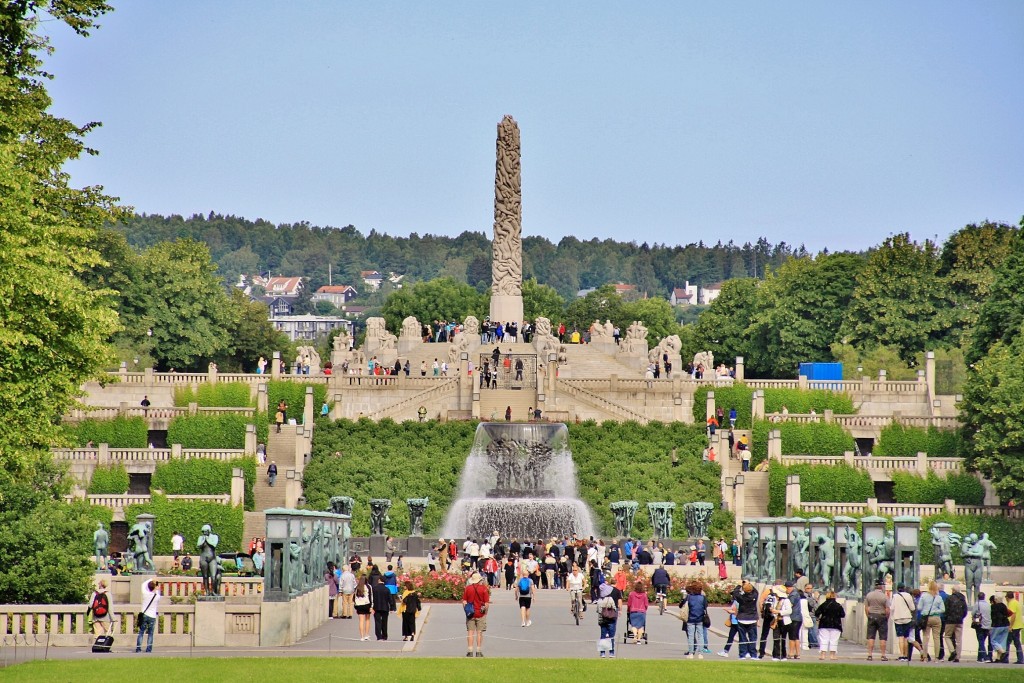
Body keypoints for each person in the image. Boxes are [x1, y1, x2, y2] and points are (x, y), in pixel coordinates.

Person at [463, 571, 489, 657]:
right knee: (479, 632)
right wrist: (485, 612)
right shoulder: (484, 588)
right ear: (479, 580)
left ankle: (470, 650)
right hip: (480, 613)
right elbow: (486, 603)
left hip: (470, 613)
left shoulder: (468, 588)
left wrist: (466, 611)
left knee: (470, 632)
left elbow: (464, 601)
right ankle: (478, 650)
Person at [918, 580, 945, 662]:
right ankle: (936, 657)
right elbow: (943, 609)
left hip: (926, 617)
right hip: (936, 618)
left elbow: (919, 607)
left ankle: (925, 657)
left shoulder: (924, 596)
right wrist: (935, 611)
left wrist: (925, 610)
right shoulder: (938, 597)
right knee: (936, 638)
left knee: (925, 637)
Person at [814, 589, 845, 660]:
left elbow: (817, 613)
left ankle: (823, 655)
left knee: (823, 639)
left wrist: (819, 618)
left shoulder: (823, 605)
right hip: (836, 624)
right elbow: (842, 615)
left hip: (824, 624)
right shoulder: (838, 605)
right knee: (834, 640)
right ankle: (832, 655)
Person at [892, 583, 920, 661]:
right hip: (907, 618)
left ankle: (901, 655)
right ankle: (905, 655)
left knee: (900, 637)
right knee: (905, 638)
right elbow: (912, 608)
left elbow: (892, 607)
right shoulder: (908, 596)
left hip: (898, 618)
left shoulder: (895, 596)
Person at [864, 580, 890, 661]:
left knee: (871, 636)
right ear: (882, 587)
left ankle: (870, 655)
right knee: (882, 637)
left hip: (872, 615)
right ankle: (883, 655)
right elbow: (887, 609)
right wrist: (887, 617)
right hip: (882, 616)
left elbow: (866, 607)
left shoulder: (869, 595)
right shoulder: (884, 597)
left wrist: (868, 615)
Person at [943, 584, 968, 662]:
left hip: (950, 620)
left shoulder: (949, 598)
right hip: (959, 621)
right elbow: (965, 611)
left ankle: (952, 651)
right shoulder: (962, 599)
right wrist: (961, 617)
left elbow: (946, 610)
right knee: (959, 639)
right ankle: (958, 657)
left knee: (947, 636)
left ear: (953, 590)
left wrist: (946, 618)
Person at [135, 579, 160, 653]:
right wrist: (156, 585)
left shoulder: (145, 594)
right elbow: (157, 590)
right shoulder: (157, 596)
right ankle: (148, 649)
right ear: (155, 587)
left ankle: (138, 649)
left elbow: (143, 585)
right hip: (152, 616)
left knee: (141, 632)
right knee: (150, 634)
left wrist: (151, 579)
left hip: (144, 615)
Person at [370, 571, 395, 641]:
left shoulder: (374, 589)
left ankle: (378, 635)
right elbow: (390, 599)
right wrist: (392, 607)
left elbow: (372, 598)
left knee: (377, 622)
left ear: (379, 580)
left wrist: (371, 607)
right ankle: (384, 635)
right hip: (385, 607)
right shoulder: (387, 589)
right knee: (384, 622)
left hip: (376, 607)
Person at [597, 582, 619, 658]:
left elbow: (599, 611)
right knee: (611, 636)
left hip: (602, 620)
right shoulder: (610, 599)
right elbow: (614, 608)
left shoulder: (599, 601)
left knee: (603, 636)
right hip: (611, 619)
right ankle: (611, 652)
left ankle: (602, 652)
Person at [626, 580, 649, 644]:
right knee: (641, 626)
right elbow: (646, 604)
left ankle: (635, 635)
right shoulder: (644, 595)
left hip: (633, 611)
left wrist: (628, 610)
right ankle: (639, 639)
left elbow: (629, 604)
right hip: (641, 612)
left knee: (634, 625)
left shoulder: (632, 594)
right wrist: (645, 609)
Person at [991, 594, 1011, 663]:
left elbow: (993, 616)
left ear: (996, 600)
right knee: (1002, 641)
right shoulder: (1004, 606)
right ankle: (998, 658)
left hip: (997, 625)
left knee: (993, 640)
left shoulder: (993, 606)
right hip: (1006, 624)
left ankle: (1002, 652)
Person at [973, 590, 992, 662]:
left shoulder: (977, 604)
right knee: (982, 641)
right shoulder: (988, 605)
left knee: (981, 641)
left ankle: (985, 657)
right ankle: (979, 657)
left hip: (980, 625)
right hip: (987, 625)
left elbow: (973, 613)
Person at [353, 576, 372, 641]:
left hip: (359, 605)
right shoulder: (368, 587)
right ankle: (366, 635)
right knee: (367, 620)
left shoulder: (357, 587)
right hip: (367, 604)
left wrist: (355, 606)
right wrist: (371, 606)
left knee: (361, 621)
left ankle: (362, 636)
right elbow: (371, 596)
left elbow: (354, 598)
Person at [1007, 591, 1023, 664]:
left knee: (1007, 642)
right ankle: (1020, 659)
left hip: (1014, 626)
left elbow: (1013, 615)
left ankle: (1005, 658)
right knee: (1017, 643)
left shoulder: (1012, 604)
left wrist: (1010, 626)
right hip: (1018, 625)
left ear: (1007, 597)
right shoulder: (1017, 602)